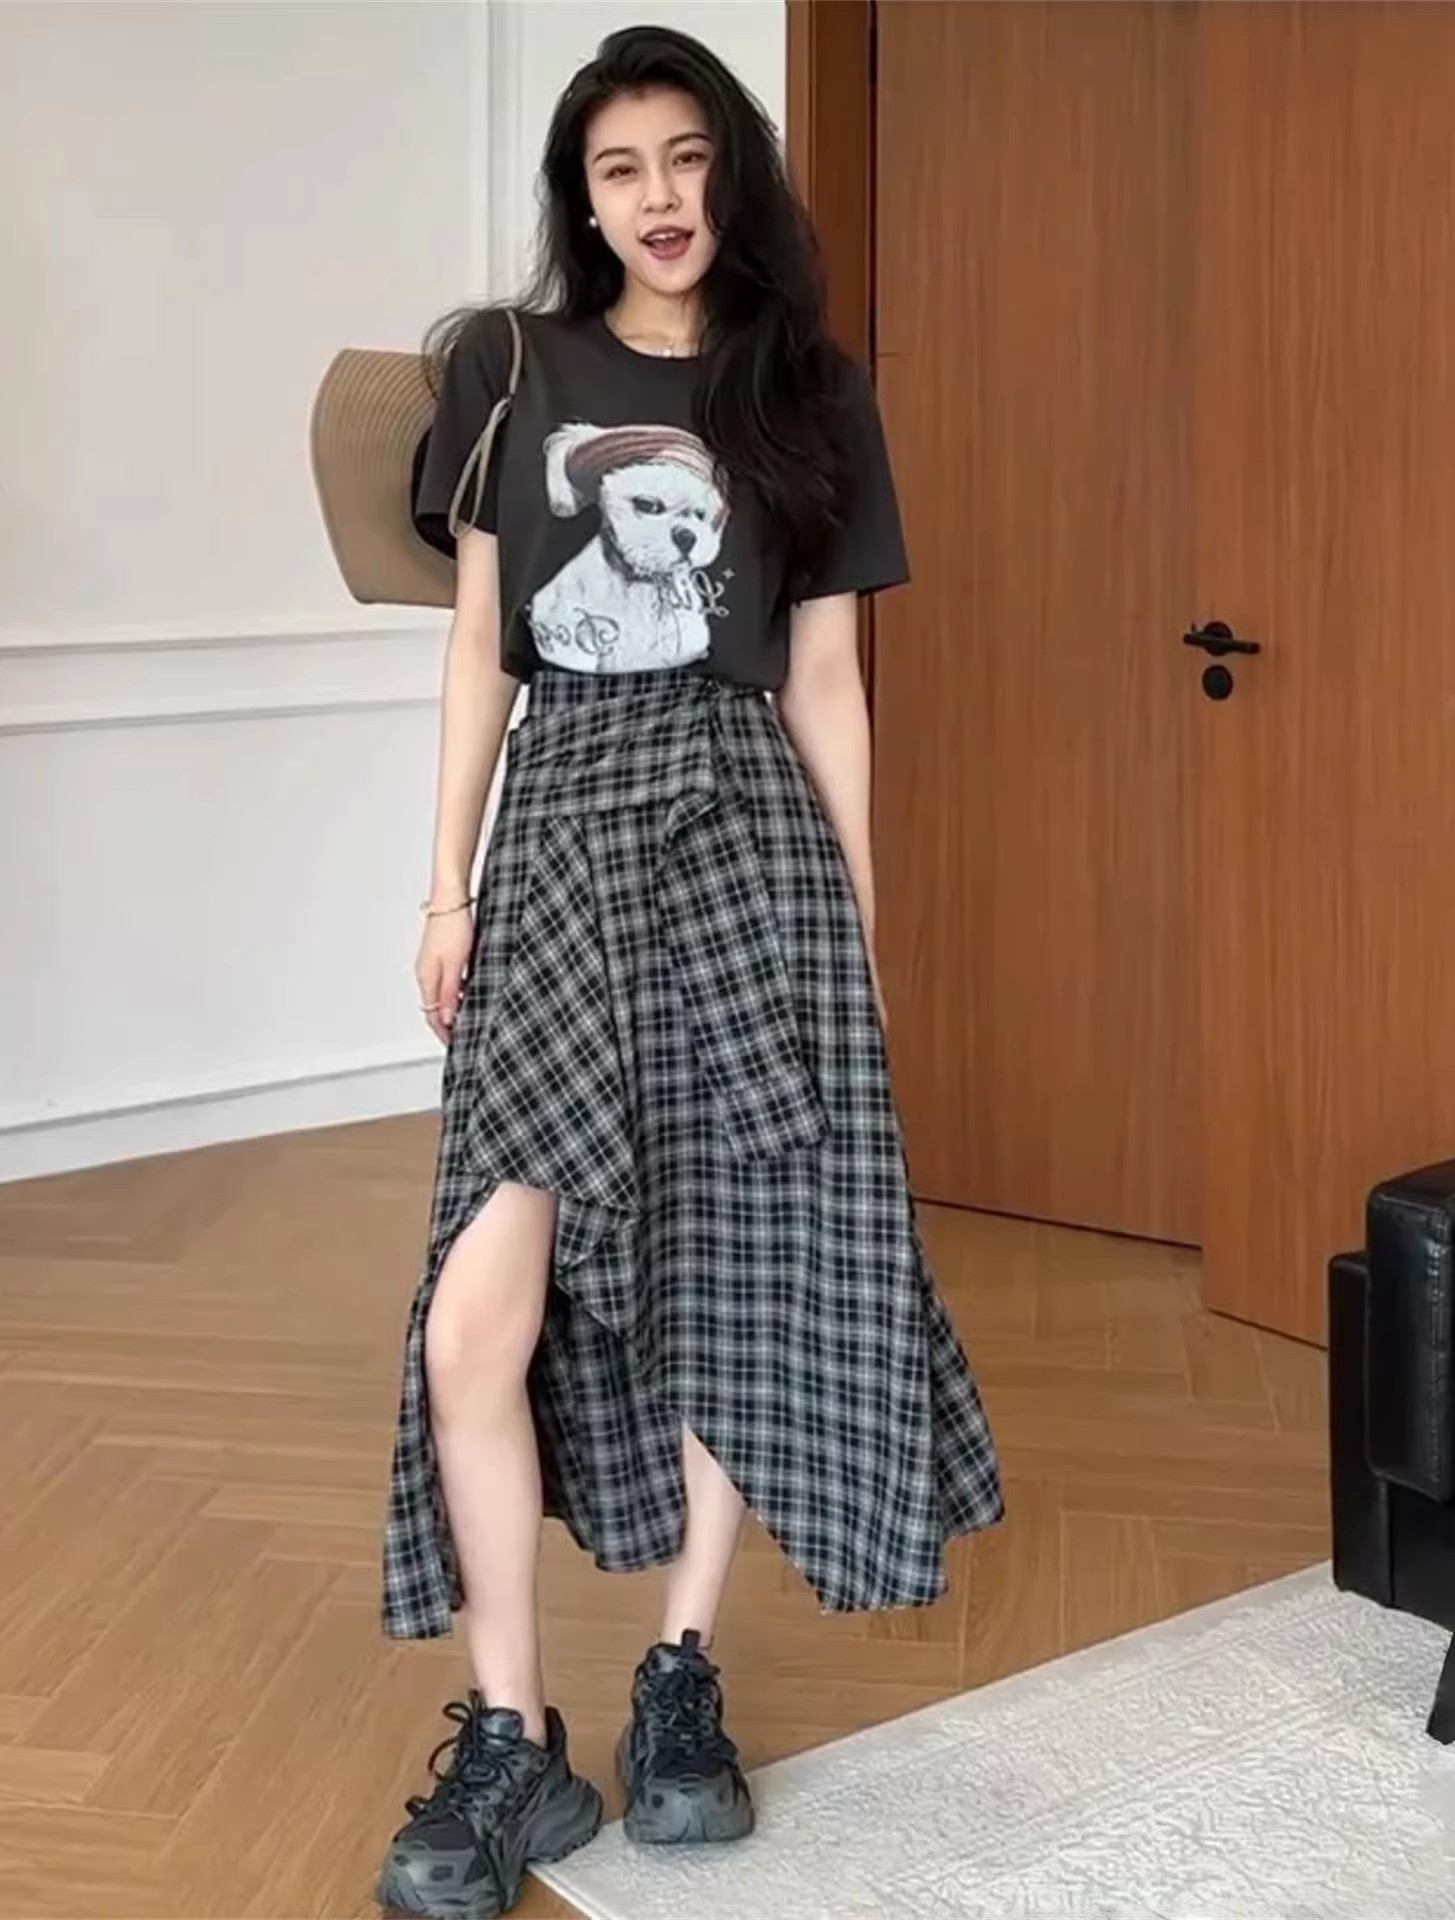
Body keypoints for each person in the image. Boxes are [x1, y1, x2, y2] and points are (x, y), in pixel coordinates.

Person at [374, 25, 1002, 1918]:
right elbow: (479, 648)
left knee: (740, 1272)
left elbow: (827, 680)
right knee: (474, 1322)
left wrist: (858, 931)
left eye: (686, 157)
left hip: (750, 847)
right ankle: (512, 1740)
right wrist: (444, 892)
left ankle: (678, 1682)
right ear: (583, 199)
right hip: (562, 840)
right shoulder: (509, 365)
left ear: (733, 172)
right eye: (618, 167)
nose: (657, 197)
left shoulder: (808, 388)